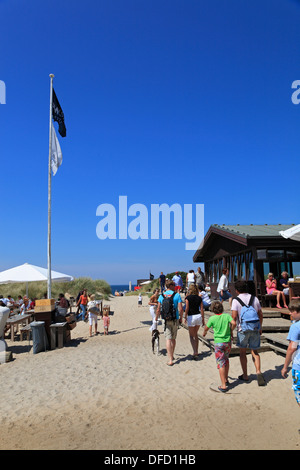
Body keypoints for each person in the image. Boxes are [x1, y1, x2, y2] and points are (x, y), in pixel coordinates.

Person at [231, 280, 266, 386]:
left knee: (242, 352)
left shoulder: (236, 300)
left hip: (243, 329)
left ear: (237, 290)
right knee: (255, 351)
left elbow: (234, 317)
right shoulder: (254, 298)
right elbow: (260, 314)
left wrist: (231, 331)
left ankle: (245, 375)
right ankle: (258, 371)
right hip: (255, 328)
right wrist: (260, 327)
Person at [203, 301, 235, 392]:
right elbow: (234, 323)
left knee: (221, 362)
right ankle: (226, 379)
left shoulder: (212, 318)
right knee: (226, 359)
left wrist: (204, 332)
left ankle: (223, 385)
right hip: (227, 341)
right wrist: (231, 330)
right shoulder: (227, 316)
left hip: (218, 342)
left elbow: (206, 327)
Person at [155, 279, 183, 366]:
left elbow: (158, 309)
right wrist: (181, 318)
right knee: (173, 338)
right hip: (175, 319)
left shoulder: (162, 296)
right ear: (170, 286)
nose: (175, 287)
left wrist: (156, 317)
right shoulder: (177, 295)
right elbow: (181, 309)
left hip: (165, 319)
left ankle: (170, 359)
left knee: (168, 338)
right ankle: (172, 355)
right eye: (174, 285)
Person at [281, 300, 300, 406]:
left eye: (292, 311)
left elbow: (292, 348)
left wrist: (285, 367)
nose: (290, 313)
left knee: (299, 396)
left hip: (298, 365)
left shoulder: (295, 327)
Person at [184, 284, 205, 359]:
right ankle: (196, 350)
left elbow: (187, 308)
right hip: (198, 316)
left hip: (191, 316)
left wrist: (185, 316)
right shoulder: (199, 298)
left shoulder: (188, 298)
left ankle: (195, 351)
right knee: (195, 334)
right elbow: (202, 309)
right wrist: (203, 319)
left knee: (191, 335)